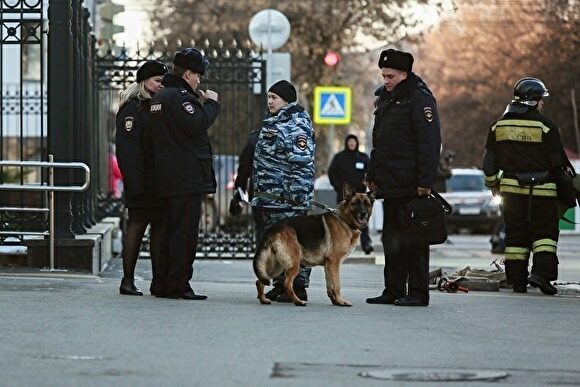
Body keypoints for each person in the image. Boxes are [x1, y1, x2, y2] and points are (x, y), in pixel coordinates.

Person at [365, 49, 441, 307]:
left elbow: (430, 143)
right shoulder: (387, 99)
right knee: (392, 240)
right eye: (384, 75)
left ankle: (418, 292)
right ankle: (393, 289)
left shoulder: (419, 99)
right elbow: (380, 143)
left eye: (391, 76)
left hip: (411, 184)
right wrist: (372, 174)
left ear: (405, 74)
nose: (386, 80)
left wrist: (425, 182)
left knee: (414, 241)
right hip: (390, 183)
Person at [482, 77, 566, 295]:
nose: (543, 104)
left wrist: (493, 183)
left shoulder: (498, 125)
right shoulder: (546, 126)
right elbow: (558, 162)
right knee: (545, 235)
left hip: (510, 191)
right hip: (543, 191)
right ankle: (542, 275)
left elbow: (489, 162)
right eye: (541, 99)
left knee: (515, 236)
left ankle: (517, 281)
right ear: (533, 100)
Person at [149, 48, 220, 300]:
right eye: (198, 75)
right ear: (188, 73)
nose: (199, 80)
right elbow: (195, 125)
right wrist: (211, 103)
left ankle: (162, 283)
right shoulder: (179, 97)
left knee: (167, 232)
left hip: (167, 177)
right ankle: (179, 284)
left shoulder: (160, 97)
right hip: (186, 179)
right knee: (184, 234)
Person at [251, 80, 315, 303]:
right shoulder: (276, 121)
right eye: (268, 97)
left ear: (286, 100)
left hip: (287, 199)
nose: (269, 101)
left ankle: (297, 286)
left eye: (274, 98)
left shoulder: (294, 125)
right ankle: (282, 285)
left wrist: (296, 196)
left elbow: (301, 163)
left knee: (294, 244)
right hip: (273, 197)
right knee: (279, 245)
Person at [115, 60, 168, 296]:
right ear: (144, 81)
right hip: (140, 182)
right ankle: (127, 280)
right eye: (157, 81)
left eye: (163, 82)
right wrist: (134, 183)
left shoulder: (158, 105)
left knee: (159, 229)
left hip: (158, 181)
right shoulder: (132, 109)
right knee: (136, 227)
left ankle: (158, 281)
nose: (160, 85)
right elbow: (127, 151)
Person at [328, 134, 373, 254]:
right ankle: (342, 243)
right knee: (343, 220)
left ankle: (366, 243)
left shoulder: (363, 157)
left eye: (354, 142)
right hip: (346, 197)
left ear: (357, 143)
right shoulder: (339, 158)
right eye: (350, 142)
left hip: (361, 197)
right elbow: (332, 173)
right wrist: (339, 187)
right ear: (347, 143)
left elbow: (370, 172)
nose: (352, 144)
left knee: (363, 219)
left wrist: (366, 181)